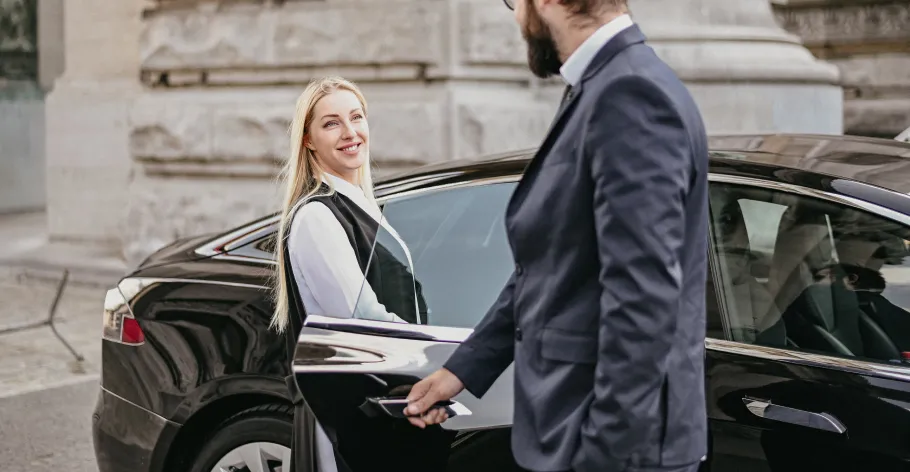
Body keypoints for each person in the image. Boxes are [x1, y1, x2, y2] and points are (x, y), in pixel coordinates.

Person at [404, 1, 710, 472]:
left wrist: (603, 452)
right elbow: (551, 265)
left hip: (611, 447)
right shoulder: (601, 87)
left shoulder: (628, 93)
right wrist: (465, 368)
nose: (513, 16)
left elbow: (644, 300)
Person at [269, 76, 425, 472]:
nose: (350, 132)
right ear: (308, 140)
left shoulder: (360, 206)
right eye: (331, 123)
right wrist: (439, 360)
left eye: (356, 117)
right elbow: (365, 321)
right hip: (349, 416)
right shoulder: (318, 216)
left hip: (378, 403)